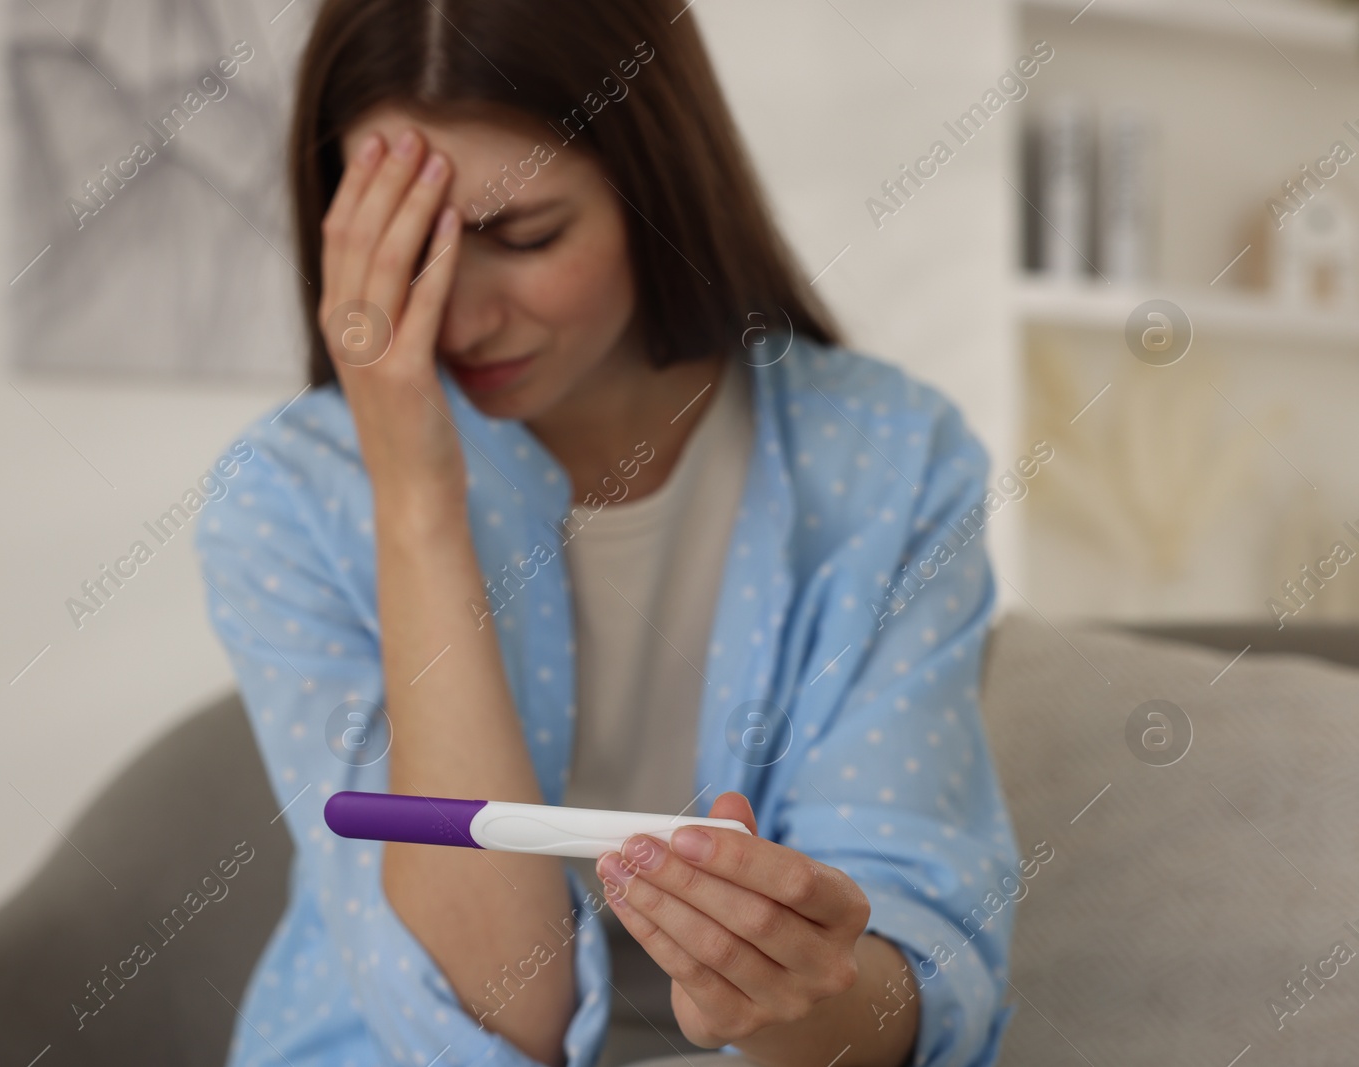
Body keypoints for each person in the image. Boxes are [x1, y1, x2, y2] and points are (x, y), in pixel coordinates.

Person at [193, 1, 1019, 1065]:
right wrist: (415, 497)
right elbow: (496, 1017)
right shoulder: (293, 496)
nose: (458, 319)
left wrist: (785, 999)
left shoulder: (890, 460)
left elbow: (917, 966)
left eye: (525, 235)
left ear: (655, 181)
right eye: (402, 250)